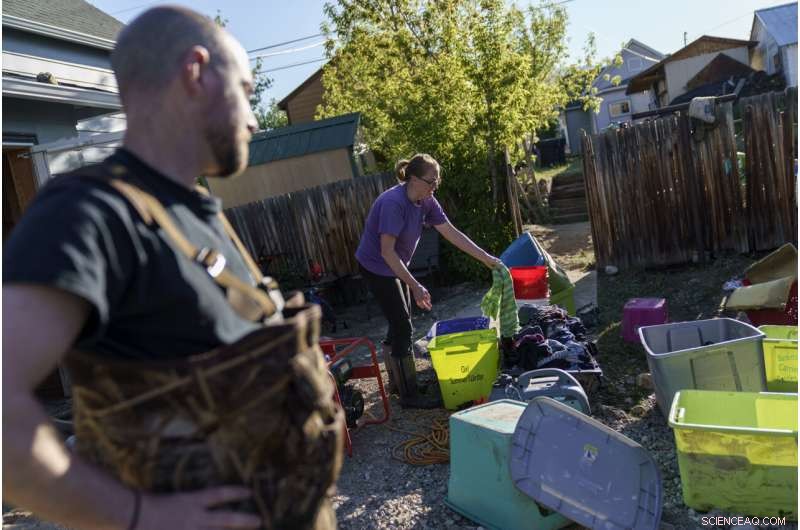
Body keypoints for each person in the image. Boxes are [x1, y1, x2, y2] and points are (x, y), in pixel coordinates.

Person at [3, 7, 341, 530]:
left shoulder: (198, 217)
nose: (254, 118)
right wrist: (139, 516)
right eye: (247, 91)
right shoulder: (89, 211)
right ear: (196, 72)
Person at [355, 154, 501, 408]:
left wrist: (486, 258)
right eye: (430, 181)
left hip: (393, 264)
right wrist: (415, 284)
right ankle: (409, 396)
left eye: (437, 181)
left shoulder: (426, 201)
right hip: (376, 266)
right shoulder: (394, 203)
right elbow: (386, 252)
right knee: (403, 325)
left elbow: (451, 233)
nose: (435, 187)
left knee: (400, 321)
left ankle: (396, 384)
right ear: (412, 179)